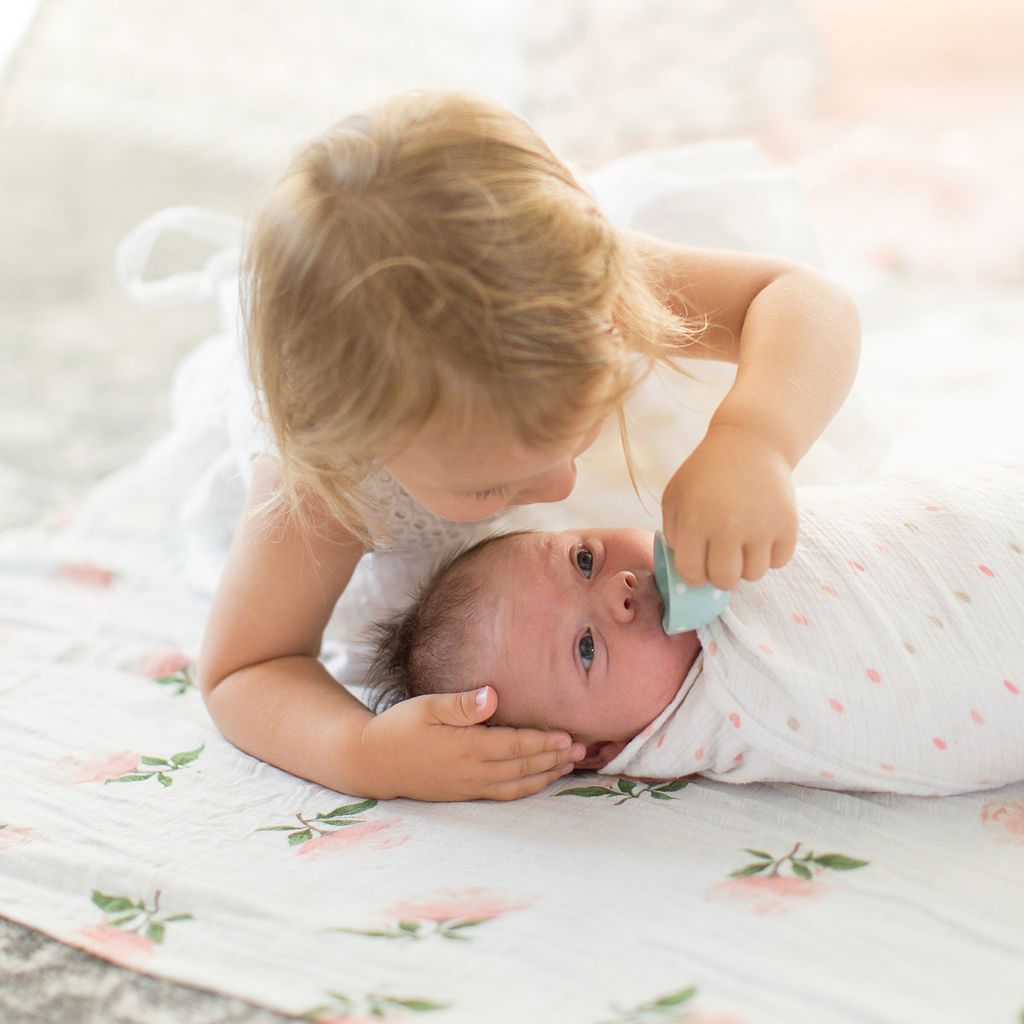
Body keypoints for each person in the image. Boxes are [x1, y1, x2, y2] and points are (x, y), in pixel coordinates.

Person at [181, 89, 864, 802]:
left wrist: (752, 439)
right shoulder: (331, 480)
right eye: (489, 488)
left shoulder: (576, 296)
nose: (563, 487)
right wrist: (361, 751)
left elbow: (801, 297)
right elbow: (244, 669)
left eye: (582, 430)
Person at [364, 460, 1024, 797]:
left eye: (584, 561)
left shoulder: (700, 528)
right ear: (596, 751)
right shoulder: (709, 718)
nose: (619, 594)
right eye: (587, 648)